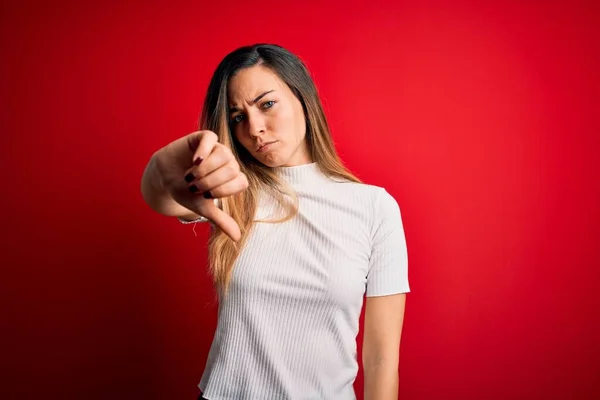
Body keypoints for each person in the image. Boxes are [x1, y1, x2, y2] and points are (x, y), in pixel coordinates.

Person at [140, 43, 410, 400]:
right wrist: (161, 171)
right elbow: (168, 199)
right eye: (238, 118)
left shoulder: (374, 208)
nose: (254, 128)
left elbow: (380, 359)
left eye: (267, 104)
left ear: (303, 99)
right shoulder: (233, 189)